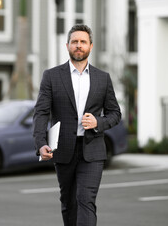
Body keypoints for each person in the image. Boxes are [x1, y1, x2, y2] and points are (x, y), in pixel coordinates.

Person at [33, 24, 121, 226]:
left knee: (85, 199)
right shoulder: (51, 76)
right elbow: (41, 112)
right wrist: (40, 143)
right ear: (67, 46)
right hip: (63, 150)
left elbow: (115, 113)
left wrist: (98, 122)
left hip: (92, 151)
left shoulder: (103, 78)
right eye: (75, 42)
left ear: (91, 46)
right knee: (68, 202)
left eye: (83, 42)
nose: (78, 45)